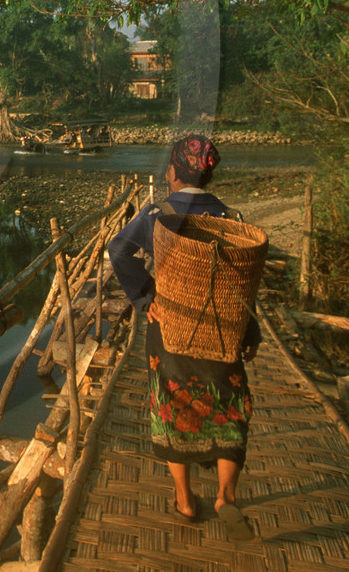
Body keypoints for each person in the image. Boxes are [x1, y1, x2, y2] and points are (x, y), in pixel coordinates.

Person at [106, 134, 259, 541]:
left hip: (171, 325)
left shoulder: (159, 213)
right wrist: (251, 328)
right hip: (223, 328)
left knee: (173, 403)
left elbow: (118, 249)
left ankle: (186, 499)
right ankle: (226, 496)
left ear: (174, 171)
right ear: (207, 174)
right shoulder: (231, 217)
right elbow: (245, 282)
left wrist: (144, 296)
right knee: (228, 408)